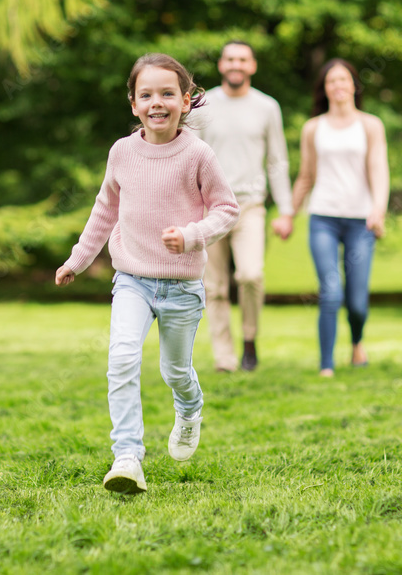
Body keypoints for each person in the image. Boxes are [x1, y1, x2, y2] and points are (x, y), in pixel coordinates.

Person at [55, 53, 240, 494]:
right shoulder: (122, 152)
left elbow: (227, 209)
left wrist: (193, 235)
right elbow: (105, 211)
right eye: (146, 95)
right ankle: (127, 457)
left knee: (175, 371)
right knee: (120, 357)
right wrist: (77, 260)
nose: (157, 102)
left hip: (182, 287)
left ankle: (190, 409)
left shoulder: (198, 154)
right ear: (134, 104)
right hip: (132, 280)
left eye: (167, 94)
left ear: (187, 100)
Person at [192, 41, 295, 372]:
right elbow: (190, 157)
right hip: (209, 208)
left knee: (251, 274)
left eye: (243, 59)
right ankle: (225, 357)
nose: (236, 64)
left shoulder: (267, 107)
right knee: (215, 287)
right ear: (221, 65)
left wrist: (286, 209)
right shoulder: (202, 106)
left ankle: (250, 339)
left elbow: (277, 161)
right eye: (230, 59)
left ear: (252, 66)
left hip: (250, 205)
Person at [290, 58, 390, 378]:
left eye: (344, 80)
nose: (338, 86)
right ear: (325, 89)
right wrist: (289, 214)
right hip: (323, 217)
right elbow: (306, 176)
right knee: (331, 291)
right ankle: (326, 364)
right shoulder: (313, 128)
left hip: (361, 221)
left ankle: (357, 343)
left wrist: (379, 208)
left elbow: (378, 168)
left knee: (357, 300)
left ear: (354, 86)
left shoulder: (370, 125)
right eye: (331, 81)